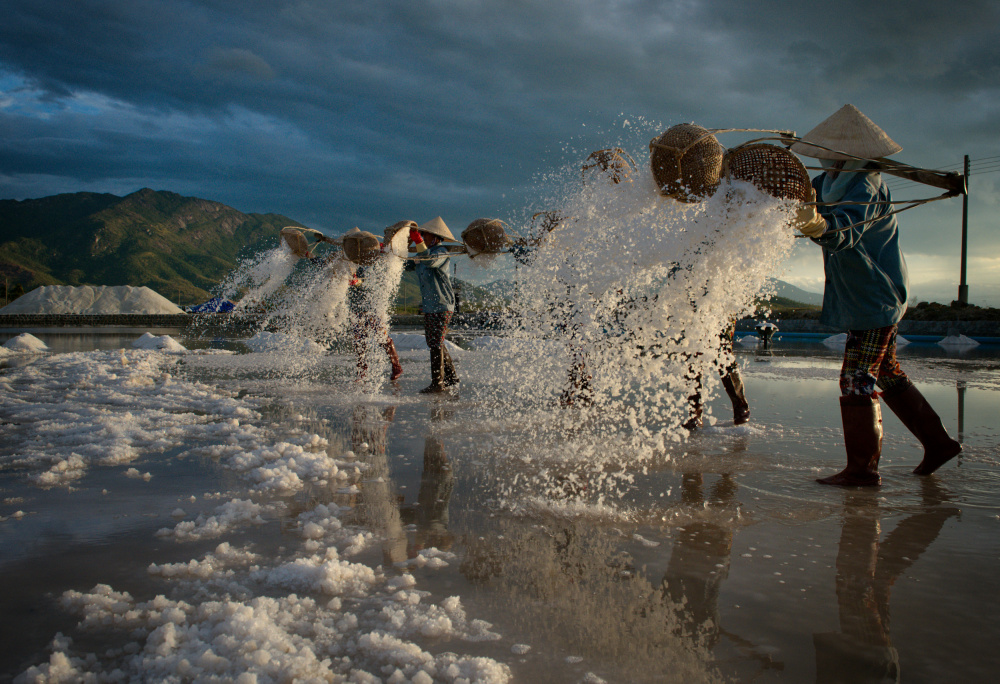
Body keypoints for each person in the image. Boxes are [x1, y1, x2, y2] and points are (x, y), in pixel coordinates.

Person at [790, 104, 961, 486]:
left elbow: (844, 231)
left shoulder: (864, 184)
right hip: (861, 294)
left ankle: (862, 470)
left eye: (829, 153)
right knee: (886, 370)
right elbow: (799, 198)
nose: (824, 159)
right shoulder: (829, 181)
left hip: (875, 295)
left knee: (856, 377)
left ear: (846, 154)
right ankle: (939, 443)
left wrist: (816, 223)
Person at [406, 217, 459, 393]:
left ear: (435, 237)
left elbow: (430, 261)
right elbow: (407, 265)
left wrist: (419, 243)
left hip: (442, 303)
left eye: (424, 235)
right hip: (430, 305)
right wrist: (389, 252)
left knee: (435, 342)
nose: (422, 237)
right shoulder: (421, 254)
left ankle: (438, 383)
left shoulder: (441, 252)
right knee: (435, 341)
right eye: (421, 235)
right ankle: (451, 377)